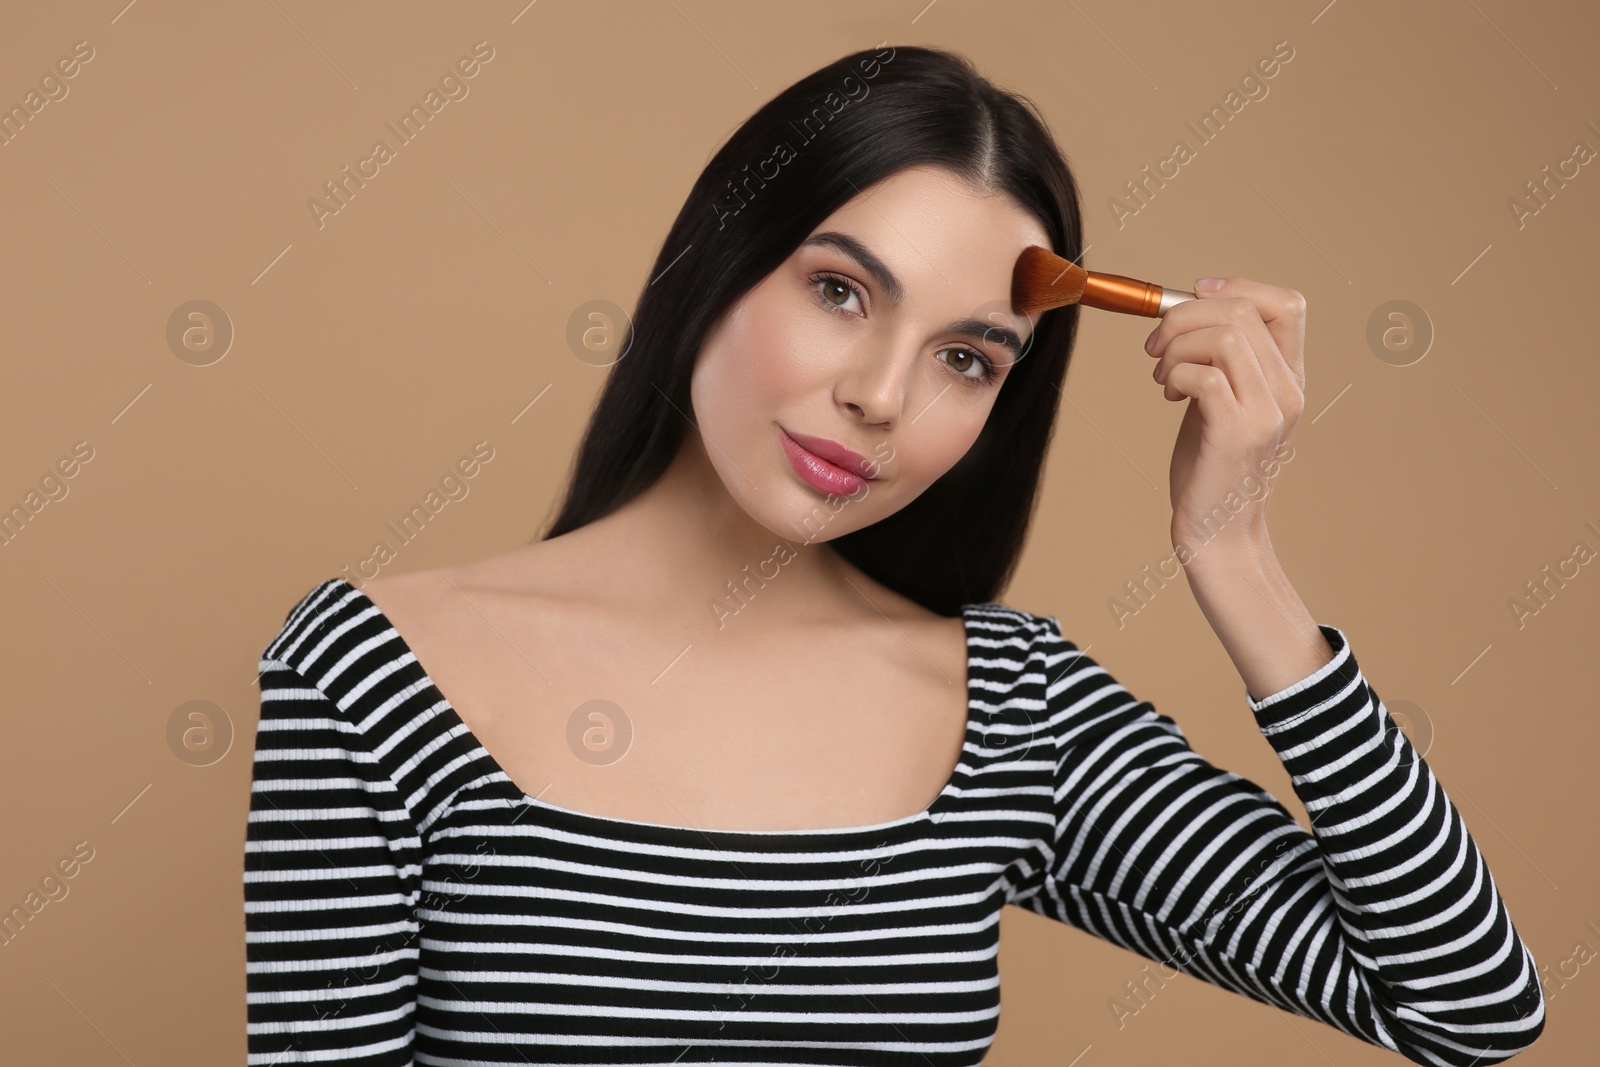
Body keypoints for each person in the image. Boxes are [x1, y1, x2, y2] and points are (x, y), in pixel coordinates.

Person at [242, 43, 1545, 1066]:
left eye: (966, 356)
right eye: (841, 291)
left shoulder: (1014, 714)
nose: (880, 395)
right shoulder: (374, 672)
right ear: (719, 265)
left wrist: (1236, 551)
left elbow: (1463, 1003)